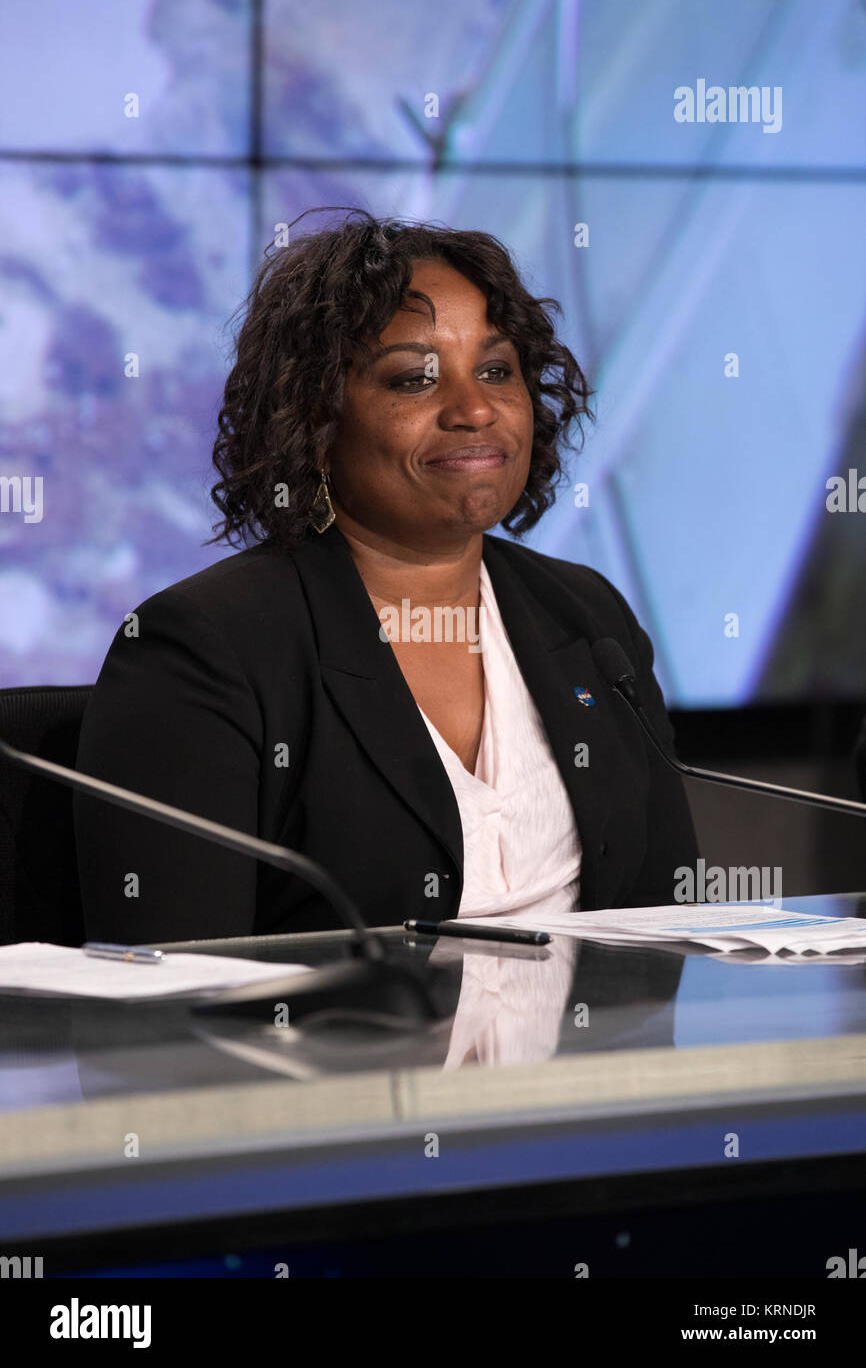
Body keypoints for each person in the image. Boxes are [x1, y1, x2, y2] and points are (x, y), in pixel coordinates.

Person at [74, 209, 698, 944]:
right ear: (313, 416)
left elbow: (668, 931)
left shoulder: (586, 616)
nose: (474, 409)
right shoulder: (206, 649)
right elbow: (174, 1004)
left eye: (497, 370)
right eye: (413, 380)